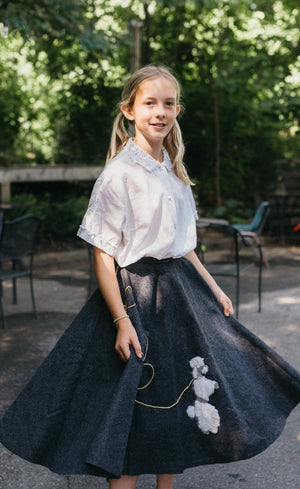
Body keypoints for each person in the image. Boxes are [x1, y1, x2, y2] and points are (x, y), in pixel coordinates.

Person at [0, 65, 299, 489]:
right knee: (133, 412)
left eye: (169, 103)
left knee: (176, 405)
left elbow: (183, 244)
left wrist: (214, 289)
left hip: (181, 294)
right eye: (150, 103)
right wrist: (121, 321)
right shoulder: (119, 174)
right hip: (137, 296)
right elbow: (103, 257)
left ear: (178, 109)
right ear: (129, 110)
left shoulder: (173, 170)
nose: (161, 112)